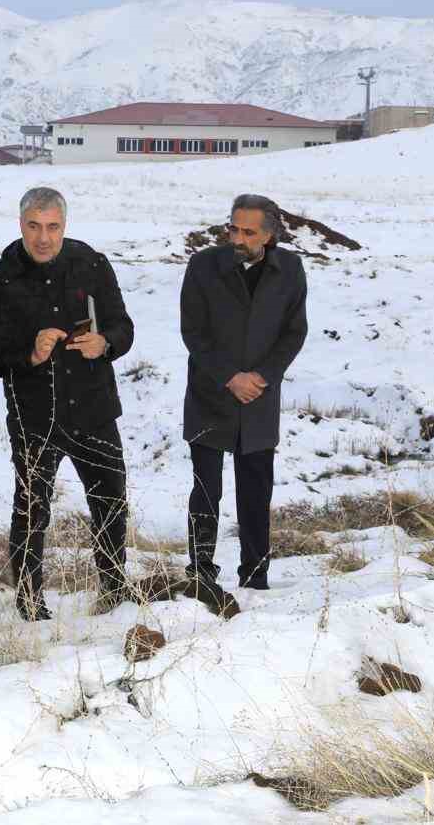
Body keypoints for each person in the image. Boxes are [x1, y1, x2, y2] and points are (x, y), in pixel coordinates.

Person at [0, 187, 136, 621]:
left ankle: (114, 588)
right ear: (20, 225)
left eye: (52, 227)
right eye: (34, 226)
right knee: (31, 507)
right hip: (35, 415)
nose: (43, 237)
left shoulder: (92, 264)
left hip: (94, 409)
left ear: (64, 226)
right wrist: (30, 353)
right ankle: (30, 602)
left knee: (111, 500)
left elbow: (124, 326)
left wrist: (105, 343)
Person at [180, 193, 308, 594]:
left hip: (259, 399)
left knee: (256, 491)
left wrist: (263, 377)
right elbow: (193, 332)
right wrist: (229, 376)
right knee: (205, 490)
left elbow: (294, 332)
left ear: (269, 236)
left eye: (248, 231)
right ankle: (200, 571)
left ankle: (255, 576)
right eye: (233, 227)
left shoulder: (290, 269)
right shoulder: (203, 265)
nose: (237, 237)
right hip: (210, 395)